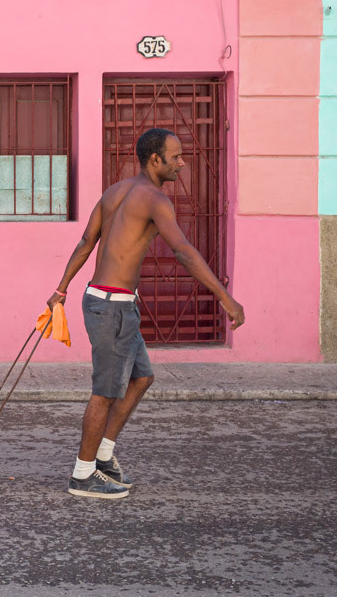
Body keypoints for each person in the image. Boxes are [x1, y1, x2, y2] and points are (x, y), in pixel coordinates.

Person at [48, 128, 245, 499]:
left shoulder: (114, 192)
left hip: (108, 301)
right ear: (155, 160)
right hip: (112, 307)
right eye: (176, 157)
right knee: (105, 392)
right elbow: (184, 251)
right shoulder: (155, 200)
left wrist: (62, 289)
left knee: (141, 377)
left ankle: (103, 456)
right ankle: (82, 475)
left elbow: (86, 241)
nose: (182, 163)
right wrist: (224, 297)